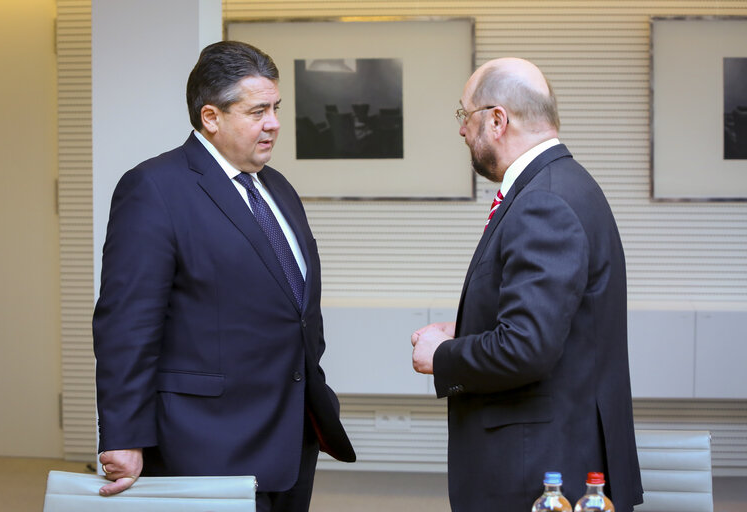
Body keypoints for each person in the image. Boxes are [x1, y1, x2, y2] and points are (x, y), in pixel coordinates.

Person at [93, 41, 355, 512]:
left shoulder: (277, 188)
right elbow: (126, 327)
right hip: (203, 442)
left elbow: (293, 309)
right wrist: (123, 435)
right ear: (211, 117)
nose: (274, 123)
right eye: (257, 111)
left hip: (290, 433)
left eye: (276, 108)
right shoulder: (154, 189)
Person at [411, 58, 643, 511]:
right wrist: (469, 329)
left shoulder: (544, 201)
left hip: (536, 473)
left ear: (497, 120)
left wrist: (441, 355)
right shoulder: (564, 185)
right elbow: (553, 324)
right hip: (550, 456)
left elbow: (526, 348)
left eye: (465, 115)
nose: (462, 131)